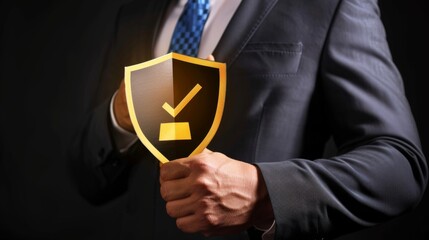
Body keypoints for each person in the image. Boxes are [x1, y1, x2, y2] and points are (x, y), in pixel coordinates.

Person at [70, 0, 428, 239]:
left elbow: (400, 166)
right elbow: (88, 181)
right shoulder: (138, 11)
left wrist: (264, 192)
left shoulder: (329, 5)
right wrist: (120, 114)